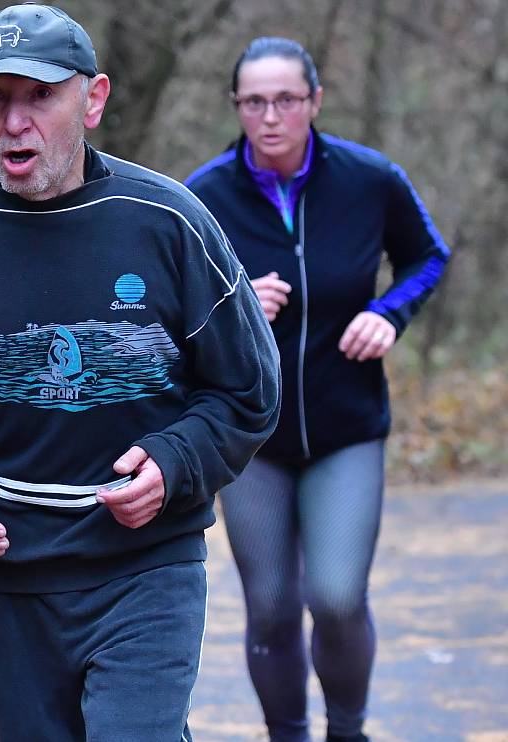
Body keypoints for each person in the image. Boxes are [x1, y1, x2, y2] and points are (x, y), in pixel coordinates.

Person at [0, 5, 281, 741]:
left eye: (40, 96)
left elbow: (249, 389)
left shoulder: (168, 220)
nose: (16, 123)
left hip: (148, 561)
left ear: (94, 98)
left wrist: (176, 461)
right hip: (11, 572)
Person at [185, 37, 449, 742]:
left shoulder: (369, 179)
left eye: (286, 100)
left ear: (315, 101)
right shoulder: (201, 198)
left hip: (347, 427)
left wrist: (387, 314)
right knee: (270, 606)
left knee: (334, 597)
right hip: (249, 435)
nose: (270, 116)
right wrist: (232, 305)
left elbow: (428, 256)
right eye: (254, 102)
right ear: (237, 106)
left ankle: (348, 731)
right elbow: (166, 312)